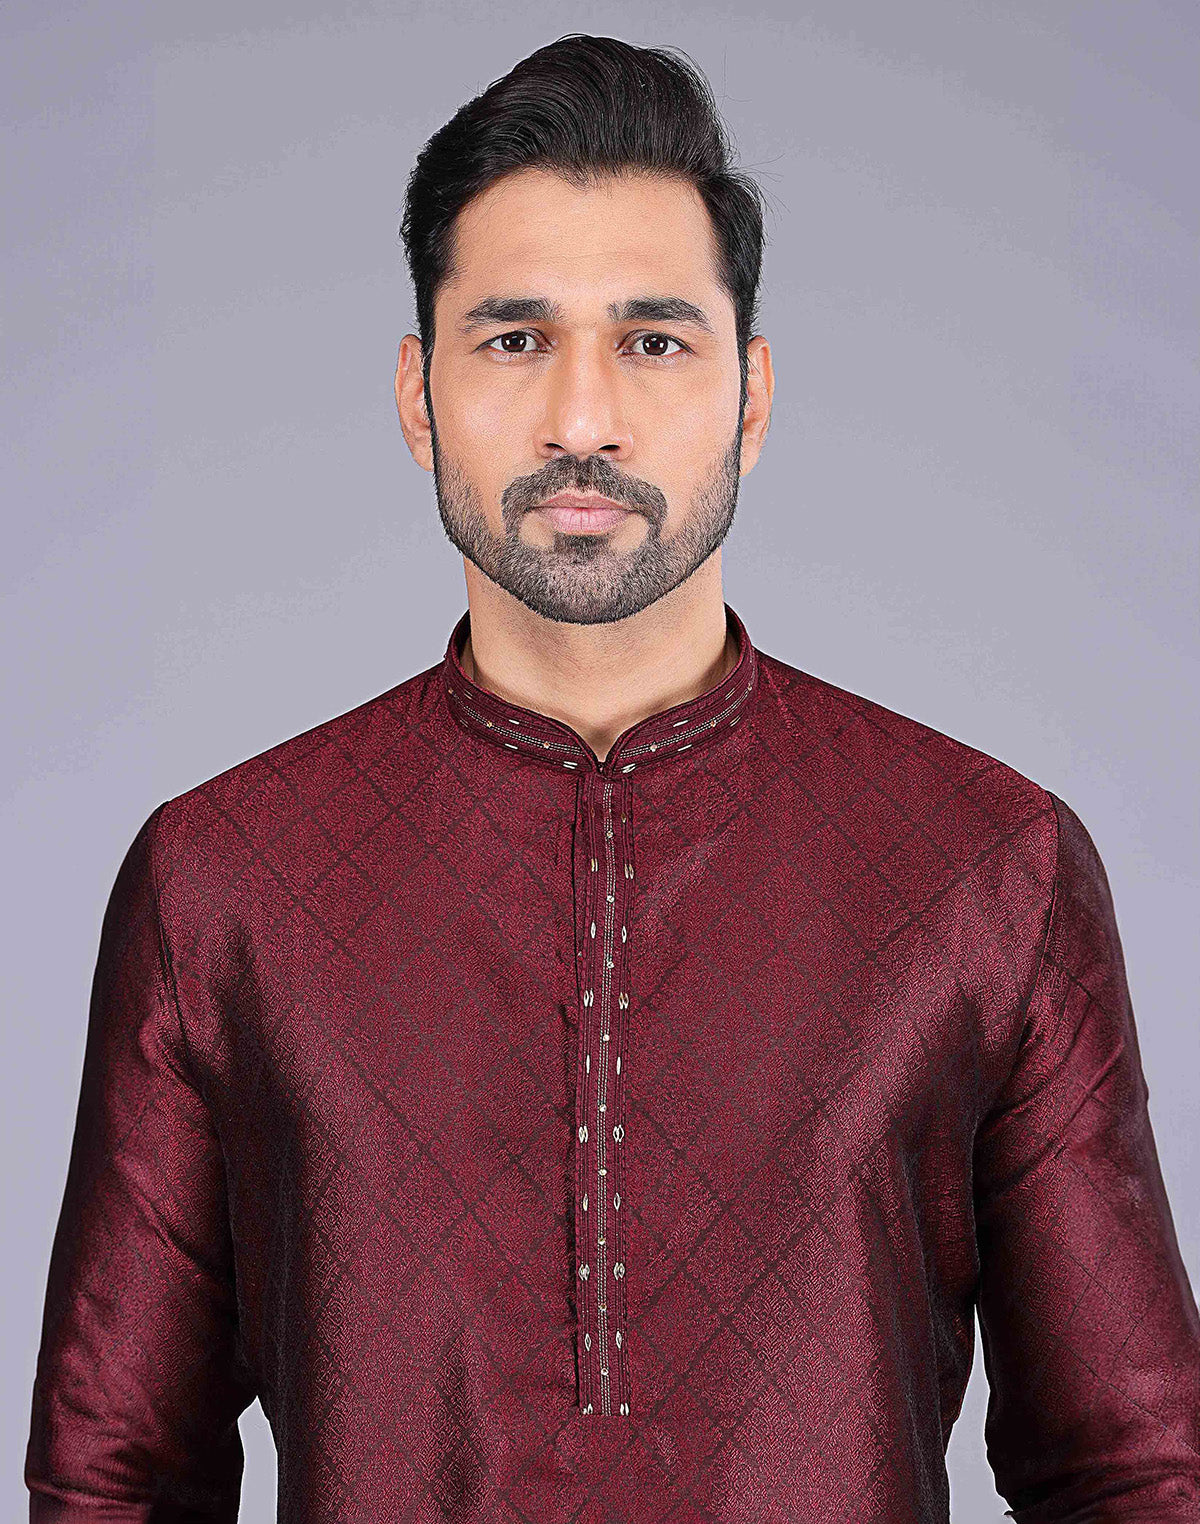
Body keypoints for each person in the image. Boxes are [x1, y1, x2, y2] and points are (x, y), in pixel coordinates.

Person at [25, 32, 1200, 1524]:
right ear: (418, 393)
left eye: (653, 341)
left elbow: (1136, 1474)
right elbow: (112, 1479)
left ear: (752, 395)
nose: (582, 420)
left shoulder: (992, 867)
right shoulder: (223, 881)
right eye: (515, 339)